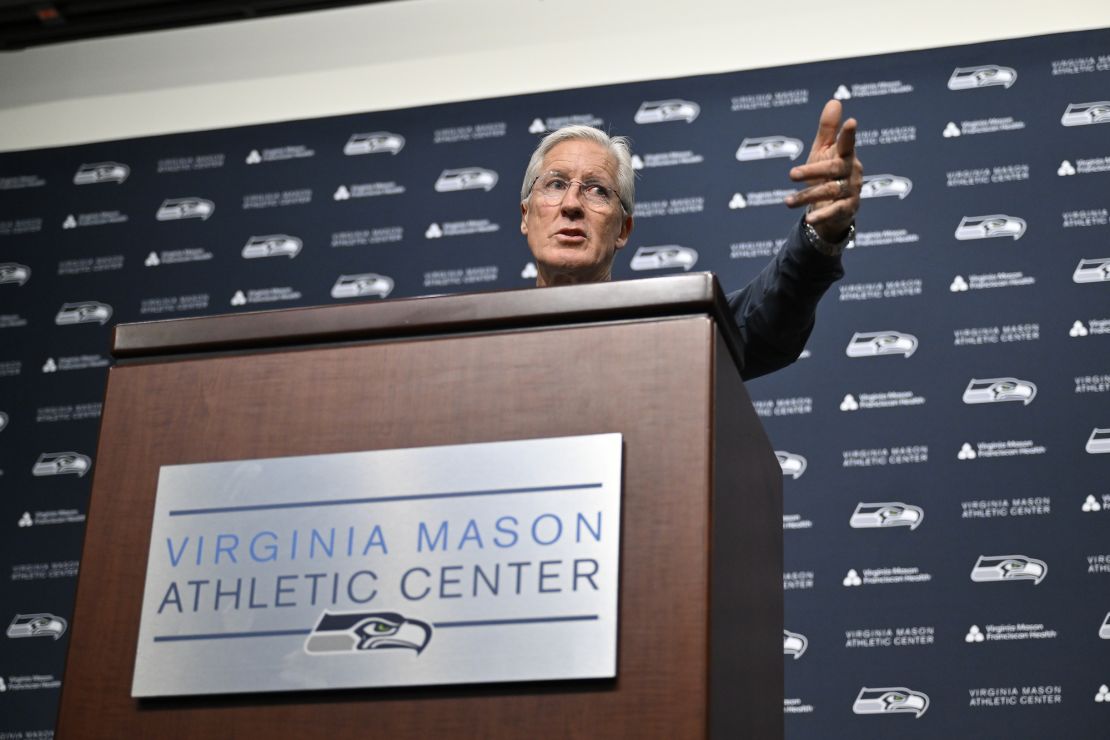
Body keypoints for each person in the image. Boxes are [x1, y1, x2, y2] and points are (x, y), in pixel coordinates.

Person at [520, 99, 862, 380]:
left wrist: (822, 232)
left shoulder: (672, 338)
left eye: (597, 190)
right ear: (525, 216)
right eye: (555, 184)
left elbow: (767, 315)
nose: (571, 205)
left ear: (622, 230)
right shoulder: (470, 343)